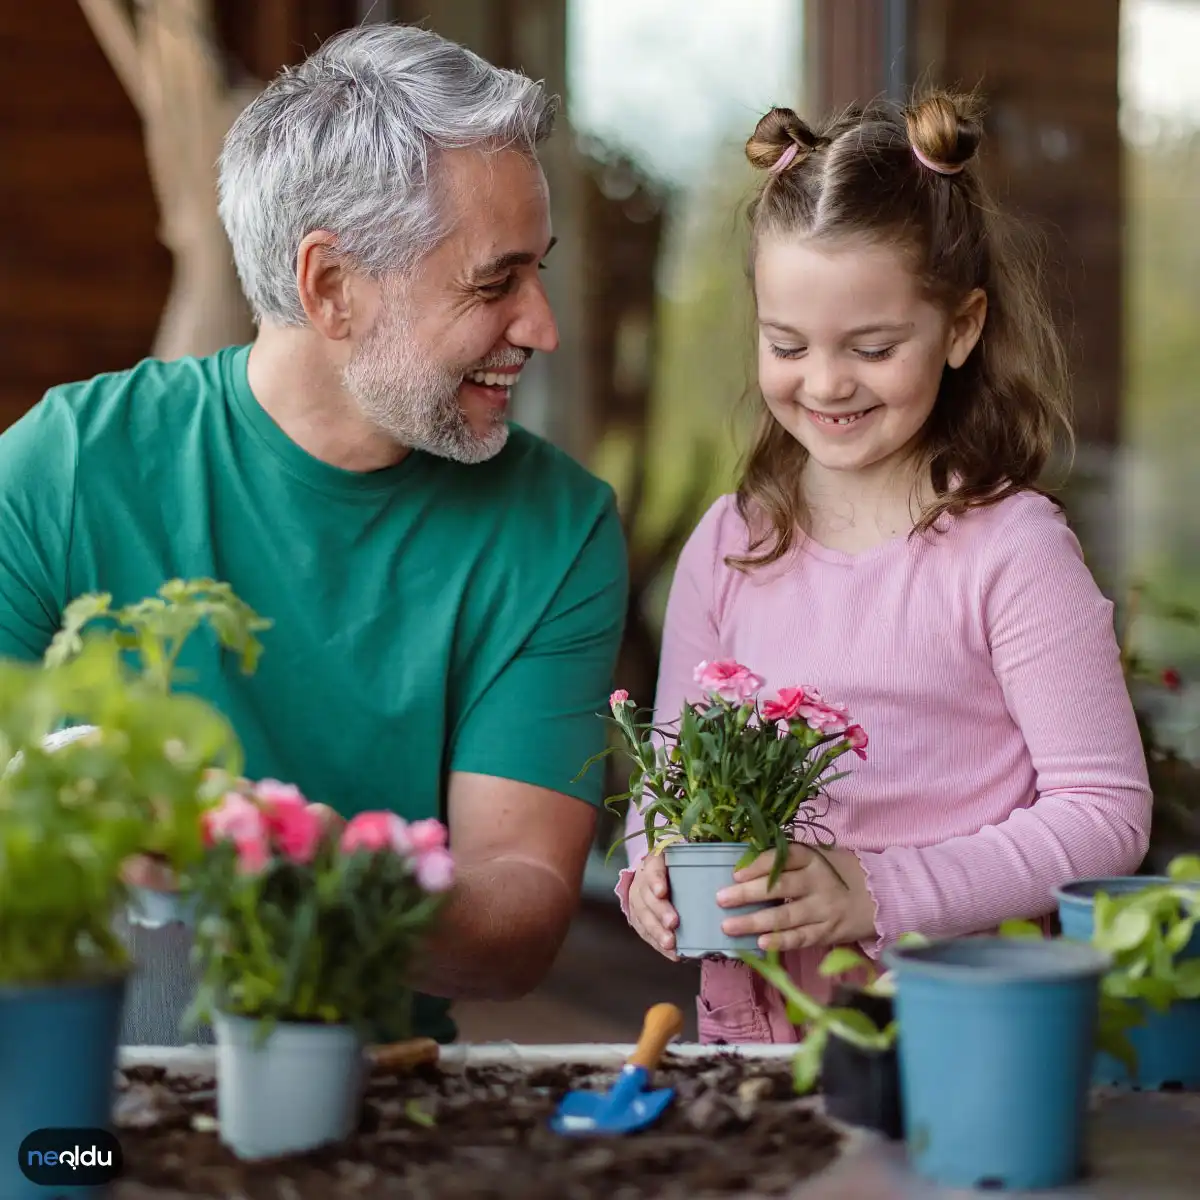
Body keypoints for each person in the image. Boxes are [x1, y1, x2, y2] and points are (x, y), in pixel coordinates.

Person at [0, 23, 628, 1045]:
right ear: (330, 286)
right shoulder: (64, 469)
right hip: (68, 1077)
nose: (543, 325)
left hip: (375, 1098)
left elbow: (520, 912)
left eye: (540, 273)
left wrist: (336, 881)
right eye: (493, 281)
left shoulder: (554, 528)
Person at [616, 91, 1151, 1044]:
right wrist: (653, 868)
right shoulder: (728, 541)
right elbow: (670, 778)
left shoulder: (1012, 551)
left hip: (951, 1029)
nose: (824, 383)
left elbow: (1105, 814)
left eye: (872, 347)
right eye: (786, 345)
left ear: (961, 327)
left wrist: (877, 891)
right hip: (754, 1034)